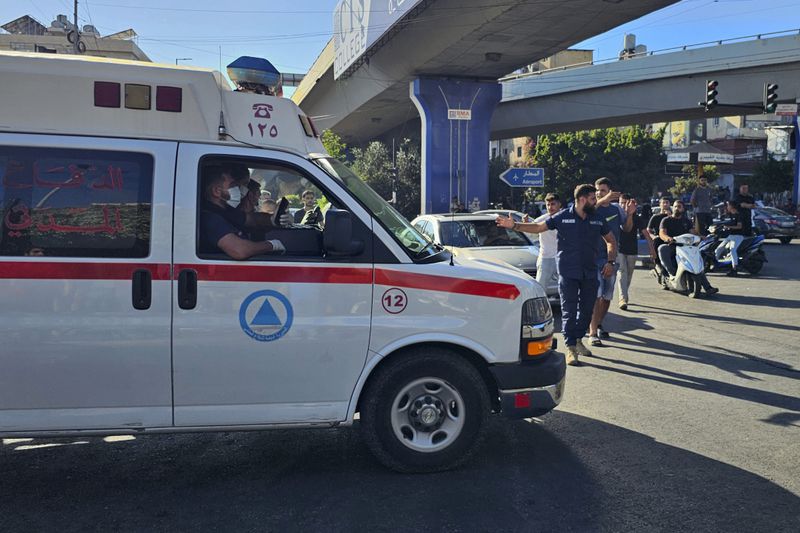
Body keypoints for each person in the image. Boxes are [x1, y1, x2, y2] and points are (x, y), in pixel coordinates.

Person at [497, 184, 617, 367]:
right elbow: (538, 228)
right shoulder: (563, 217)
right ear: (582, 199)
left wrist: (610, 262)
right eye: (593, 198)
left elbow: (611, 240)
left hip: (590, 272)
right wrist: (514, 225)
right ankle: (570, 347)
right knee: (569, 310)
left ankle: (578, 340)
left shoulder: (597, 218)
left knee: (586, 311)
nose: (596, 202)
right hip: (568, 272)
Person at [199, 166, 286, 260]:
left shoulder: (227, 211)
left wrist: (273, 219)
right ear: (217, 191)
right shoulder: (210, 218)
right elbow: (240, 250)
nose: (239, 189)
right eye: (233, 186)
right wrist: (272, 245)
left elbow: (252, 219)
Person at [588, 177, 633, 347]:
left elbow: (627, 228)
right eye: (597, 190)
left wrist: (629, 214)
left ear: (610, 192)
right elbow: (588, 211)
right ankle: (592, 333)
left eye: (603, 191)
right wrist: (601, 201)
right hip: (593, 259)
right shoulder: (593, 207)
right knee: (595, 295)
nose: (599, 193)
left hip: (611, 258)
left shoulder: (616, 209)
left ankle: (598, 324)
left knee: (606, 296)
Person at [658, 200, 718, 295]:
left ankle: (708, 287)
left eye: (679, 207)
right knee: (662, 248)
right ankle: (672, 273)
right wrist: (668, 238)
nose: (677, 208)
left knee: (697, 262)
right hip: (673, 246)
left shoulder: (686, 221)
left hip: (686, 247)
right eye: (675, 206)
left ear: (683, 209)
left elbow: (693, 232)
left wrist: (701, 237)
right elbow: (662, 233)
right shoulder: (666, 220)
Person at [617, 194, 648, 311]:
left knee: (628, 275)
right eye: (621, 203)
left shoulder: (637, 218)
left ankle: (624, 293)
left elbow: (645, 234)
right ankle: (622, 299)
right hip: (619, 250)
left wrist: (652, 250)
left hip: (632, 251)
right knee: (622, 272)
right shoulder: (617, 216)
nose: (624, 205)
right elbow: (624, 228)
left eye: (626, 203)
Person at [533, 193, 561, 294]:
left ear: (559, 204)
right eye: (548, 205)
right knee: (539, 289)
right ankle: (539, 309)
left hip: (562, 257)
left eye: (553, 204)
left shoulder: (566, 218)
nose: (550, 207)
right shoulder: (541, 220)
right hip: (545, 259)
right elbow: (531, 228)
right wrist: (525, 222)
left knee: (567, 288)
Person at [716, 200, 752, 276]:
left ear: (732, 206)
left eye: (728, 205)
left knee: (732, 249)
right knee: (719, 248)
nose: (727, 206)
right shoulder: (729, 215)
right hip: (731, 236)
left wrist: (728, 227)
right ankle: (716, 264)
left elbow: (739, 226)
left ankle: (734, 268)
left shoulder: (739, 215)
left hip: (738, 236)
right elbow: (723, 222)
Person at [646, 197, 672, 282]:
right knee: (657, 241)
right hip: (659, 238)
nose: (665, 204)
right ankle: (658, 264)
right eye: (663, 203)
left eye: (667, 202)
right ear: (660, 204)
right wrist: (653, 236)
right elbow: (648, 230)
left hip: (671, 238)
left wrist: (670, 216)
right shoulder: (655, 217)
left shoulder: (673, 216)